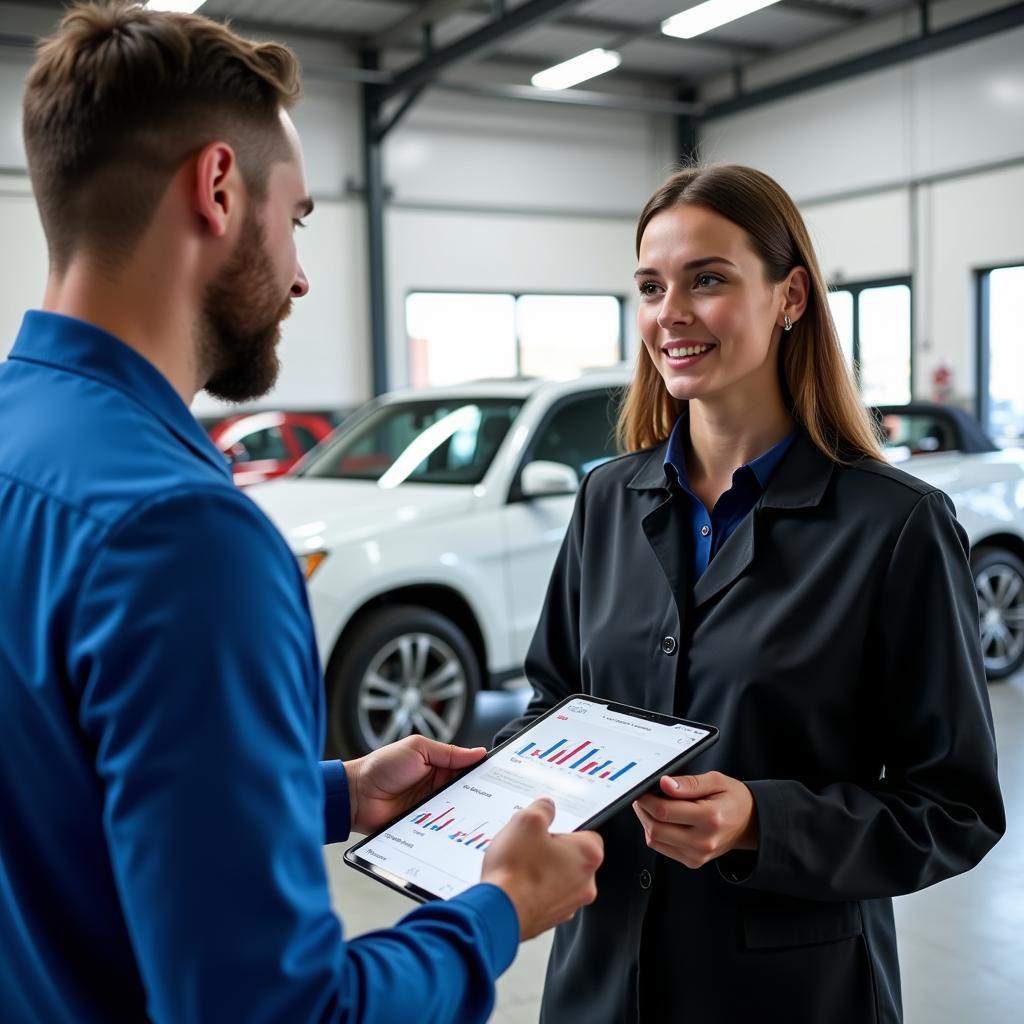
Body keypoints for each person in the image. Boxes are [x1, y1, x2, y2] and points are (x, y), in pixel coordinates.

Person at [0, 4, 602, 1022]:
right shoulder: (182, 534)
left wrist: (332, 792)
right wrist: (497, 908)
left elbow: (61, 790)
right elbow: (276, 1011)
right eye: (300, 219)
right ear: (220, 188)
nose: (302, 272)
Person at [495, 164, 1004, 1023]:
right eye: (653, 287)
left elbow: (953, 808)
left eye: (709, 280)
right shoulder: (608, 500)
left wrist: (763, 822)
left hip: (788, 993)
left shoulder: (895, 528)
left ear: (791, 296)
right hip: (601, 979)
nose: (671, 314)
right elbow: (550, 701)